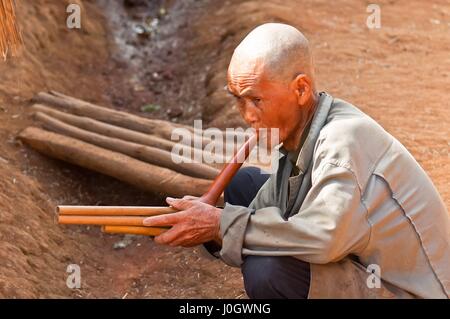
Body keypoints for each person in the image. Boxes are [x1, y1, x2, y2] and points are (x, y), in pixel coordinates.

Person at [143, 23, 449, 298]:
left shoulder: (343, 142)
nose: (248, 116)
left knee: (268, 272)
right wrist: (211, 226)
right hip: (357, 253)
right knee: (244, 184)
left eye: (256, 100)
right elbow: (264, 212)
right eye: (238, 99)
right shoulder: (301, 132)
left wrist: (220, 224)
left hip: (401, 290)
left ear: (301, 89)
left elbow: (324, 237)